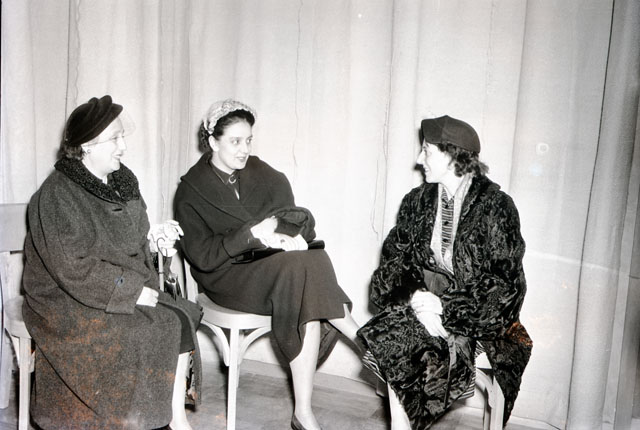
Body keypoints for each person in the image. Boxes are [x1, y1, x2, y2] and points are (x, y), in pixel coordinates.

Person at [174, 99, 361, 430]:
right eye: (235, 141)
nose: (245, 149)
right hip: (226, 277)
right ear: (212, 142)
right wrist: (251, 234)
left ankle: (304, 412)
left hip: (270, 268)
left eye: (248, 140)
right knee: (299, 272)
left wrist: (287, 236)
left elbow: (292, 216)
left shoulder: (262, 172)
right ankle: (365, 342)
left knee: (310, 260)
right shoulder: (191, 189)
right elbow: (202, 257)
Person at [22, 95, 202, 430]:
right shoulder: (56, 195)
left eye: (122, 137)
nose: (123, 147)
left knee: (180, 315)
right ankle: (133, 421)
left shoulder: (122, 181)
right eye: (115, 139)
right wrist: (131, 291)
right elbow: (71, 267)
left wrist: (155, 244)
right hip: (63, 297)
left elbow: (132, 239)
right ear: (86, 146)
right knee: (145, 330)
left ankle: (173, 418)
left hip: (111, 285)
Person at [357, 116, 532, 429]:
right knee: (395, 338)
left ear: (453, 155)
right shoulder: (417, 202)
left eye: (427, 151)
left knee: (403, 344)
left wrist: (445, 308)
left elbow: (506, 287)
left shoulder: (496, 207)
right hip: (422, 306)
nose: (418, 159)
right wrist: (416, 298)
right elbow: (393, 262)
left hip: (479, 318)